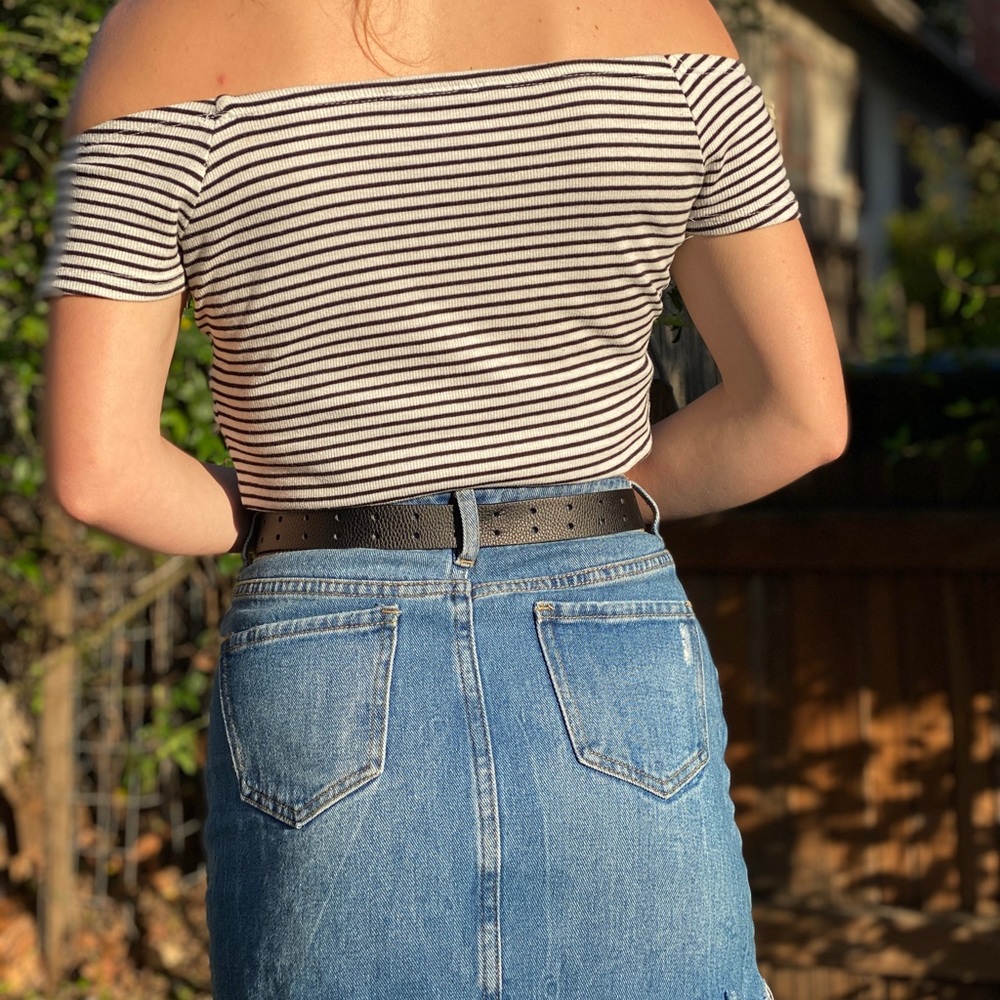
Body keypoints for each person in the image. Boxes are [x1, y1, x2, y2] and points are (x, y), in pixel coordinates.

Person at [39, 0, 848, 996]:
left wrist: (288, 521)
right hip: (607, 626)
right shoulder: (668, 25)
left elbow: (99, 469)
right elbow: (797, 416)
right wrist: (594, 502)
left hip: (322, 647)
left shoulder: (158, 34)